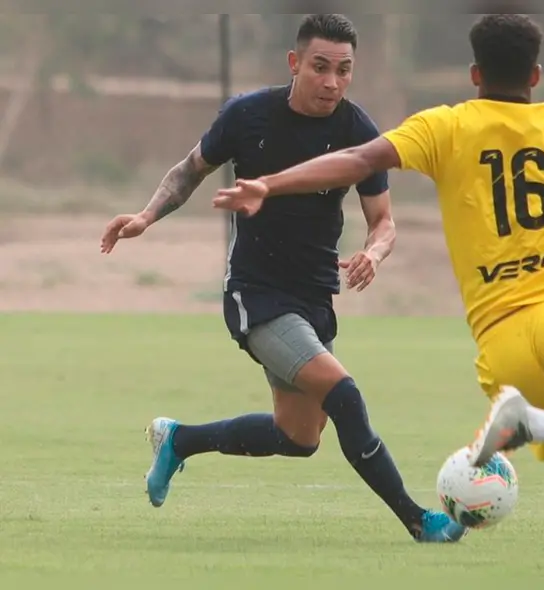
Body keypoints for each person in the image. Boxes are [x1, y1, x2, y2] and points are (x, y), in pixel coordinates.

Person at [212, 14, 544, 578]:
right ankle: (537, 425)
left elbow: (358, 160)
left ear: (474, 74)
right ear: (535, 76)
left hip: (503, 343)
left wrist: (269, 182)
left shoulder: (445, 127)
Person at [98, 14, 466, 544]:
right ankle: (418, 520)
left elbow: (383, 221)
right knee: (345, 395)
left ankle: (179, 440)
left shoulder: (358, 132)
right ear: (295, 63)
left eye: (343, 70)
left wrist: (374, 252)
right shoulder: (247, 115)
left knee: (299, 438)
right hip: (257, 294)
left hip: (314, 295)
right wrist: (145, 217)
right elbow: (188, 171)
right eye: (320, 67)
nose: (332, 82)